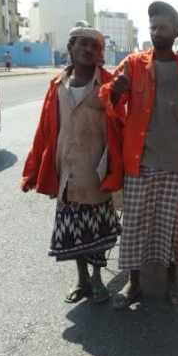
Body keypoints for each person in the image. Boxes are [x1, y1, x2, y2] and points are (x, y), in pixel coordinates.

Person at [101, 1, 178, 308]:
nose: (156, 32)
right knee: (135, 223)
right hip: (140, 160)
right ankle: (133, 281)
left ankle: (173, 279)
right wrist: (114, 91)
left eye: (162, 27)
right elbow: (112, 101)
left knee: (171, 225)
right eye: (152, 27)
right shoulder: (134, 64)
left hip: (175, 161)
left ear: (176, 31)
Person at [20, 26, 123, 304]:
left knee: (99, 234)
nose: (88, 50)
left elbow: (123, 123)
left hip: (96, 173)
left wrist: (118, 98)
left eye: (95, 46)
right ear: (71, 48)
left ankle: (99, 280)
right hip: (67, 173)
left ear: (100, 53)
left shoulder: (110, 85)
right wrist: (32, 172)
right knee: (73, 233)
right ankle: (82, 279)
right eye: (83, 44)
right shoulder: (57, 85)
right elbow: (44, 130)